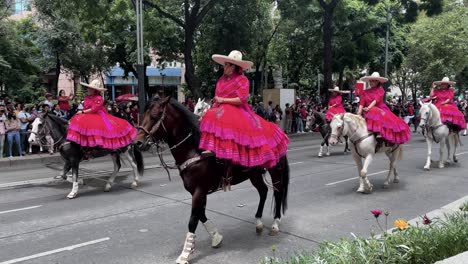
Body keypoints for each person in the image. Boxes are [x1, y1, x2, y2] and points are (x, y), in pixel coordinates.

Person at [199, 50, 289, 168]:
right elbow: (218, 96)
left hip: (237, 109)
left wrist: (223, 100)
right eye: (225, 64)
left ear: (233, 67)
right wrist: (216, 102)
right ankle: (211, 148)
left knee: (222, 118)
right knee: (207, 115)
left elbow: (241, 99)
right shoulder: (221, 80)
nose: (224, 67)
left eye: (226, 64)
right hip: (220, 107)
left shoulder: (242, 80)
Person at [66, 79, 137, 150]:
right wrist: (81, 111)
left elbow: (94, 109)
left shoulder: (99, 98)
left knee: (108, 128)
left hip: (99, 115)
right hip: (87, 114)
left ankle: (100, 145)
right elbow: (84, 107)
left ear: (94, 90)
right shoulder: (87, 98)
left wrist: (83, 112)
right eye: (88, 88)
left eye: (90, 88)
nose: (88, 89)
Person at [357, 72, 411, 146]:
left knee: (374, 110)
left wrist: (368, 108)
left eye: (373, 81)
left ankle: (380, 133)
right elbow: (361, 103)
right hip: (368, 111)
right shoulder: (365, 92)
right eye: (370, 80)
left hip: (379, 109)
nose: (371, 82)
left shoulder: (380, 90)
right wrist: (358, 113)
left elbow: (375, 101)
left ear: (378, 82)